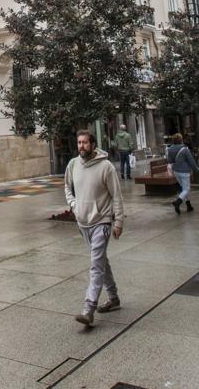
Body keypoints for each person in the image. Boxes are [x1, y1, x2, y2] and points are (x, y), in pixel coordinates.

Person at [64, 129, 124, 327]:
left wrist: (118, 221)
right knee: (101, 260)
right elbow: (67, 186)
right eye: (79, 142)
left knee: (96, 265)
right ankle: (114, 298)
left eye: (85, 142)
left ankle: (88, 308)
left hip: (102, 221)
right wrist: (73, 205)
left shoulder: (106, 167)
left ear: (93, 144)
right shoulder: (73, 164)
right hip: (83, 222)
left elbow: (116, 195)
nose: (81, 146)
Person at [166, 133, 199, 215]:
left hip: (176, 171)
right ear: (181, 140)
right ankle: (177, 202)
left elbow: (170, 161)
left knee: (184, 189)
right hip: (184, 171)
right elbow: (191, 161)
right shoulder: (185, 149)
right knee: (186, 189)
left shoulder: (170, 149)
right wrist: (197, 169)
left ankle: (189, 205)